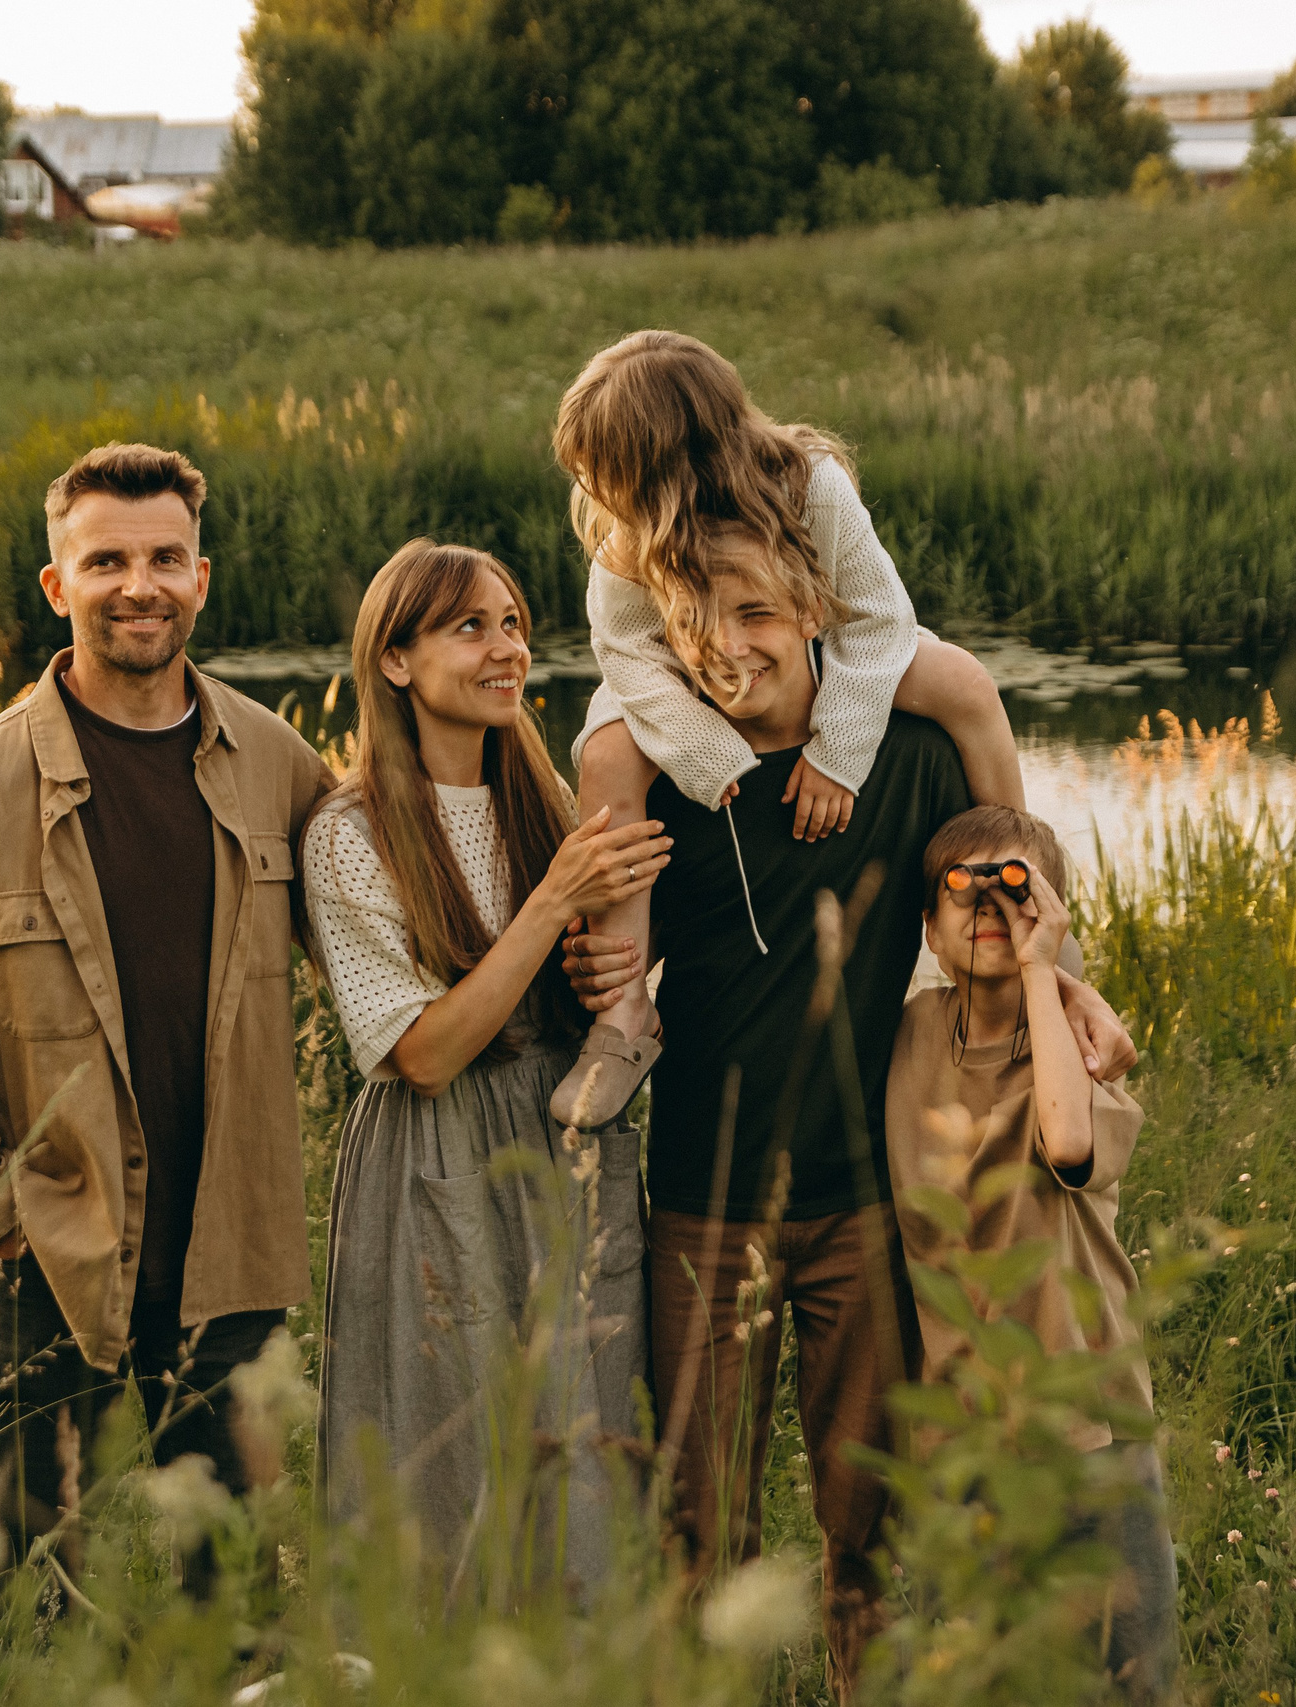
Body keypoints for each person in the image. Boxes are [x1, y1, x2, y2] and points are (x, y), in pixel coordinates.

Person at [557, 541, 1136, 1698]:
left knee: (866, 1517)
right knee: (703, 1524)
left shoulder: (911, 758)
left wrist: (1062, 980)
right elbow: (628, 946)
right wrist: (602, 965)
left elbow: (1012, 888)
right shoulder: (666, 773)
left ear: (819, 614)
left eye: (759, 614)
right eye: (695, 622)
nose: (730, 647)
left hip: (870, 1203)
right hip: (702, 1209)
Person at [0, 442, 333, 1588]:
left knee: (226, 1588)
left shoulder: (276, 763)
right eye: (107, 560)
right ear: (56, 587)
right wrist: (0, 1219)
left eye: (166, 557)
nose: (141, 584)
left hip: (230, 1251)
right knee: (17, 1578)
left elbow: (392, 925)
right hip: (51, 1258)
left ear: (202, 579)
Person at [302, 539, 668, 1602]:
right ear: (398, 661)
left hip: (561, 1136)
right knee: (449, 1421)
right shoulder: (349, 829)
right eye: (470, 628)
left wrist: (610, 962)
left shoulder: (544, 792)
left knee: (584, 1409)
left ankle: (583, 1659)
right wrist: (552, 901)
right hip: (439, 1150)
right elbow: (420, 1054)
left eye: (512, 624)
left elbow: (601, 967)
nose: (506, 649)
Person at [545, 329, 1027, 1129]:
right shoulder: (625, 545)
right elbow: (627, 656)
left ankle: (1033, 892)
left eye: (608, 472)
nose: (597, 493)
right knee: (605, 754)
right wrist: (703, 751)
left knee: (963, 683)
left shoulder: (811, 486)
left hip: (815, 638)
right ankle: (625, 1009)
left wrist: (839, 751)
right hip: (682, 676)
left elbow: (878, 618)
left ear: (671, 460)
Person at [885, 804, 1176, 1699]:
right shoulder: (908, 1033)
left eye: (1015, 887)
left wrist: (1050, 971)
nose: (990, 907)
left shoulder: (1089, 1054)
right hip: (963, 1429)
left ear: (1050, 913)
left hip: (1091, 1422)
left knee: (1126, 1676)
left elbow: (1067, 1141)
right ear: (929, 930)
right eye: (961, 890)